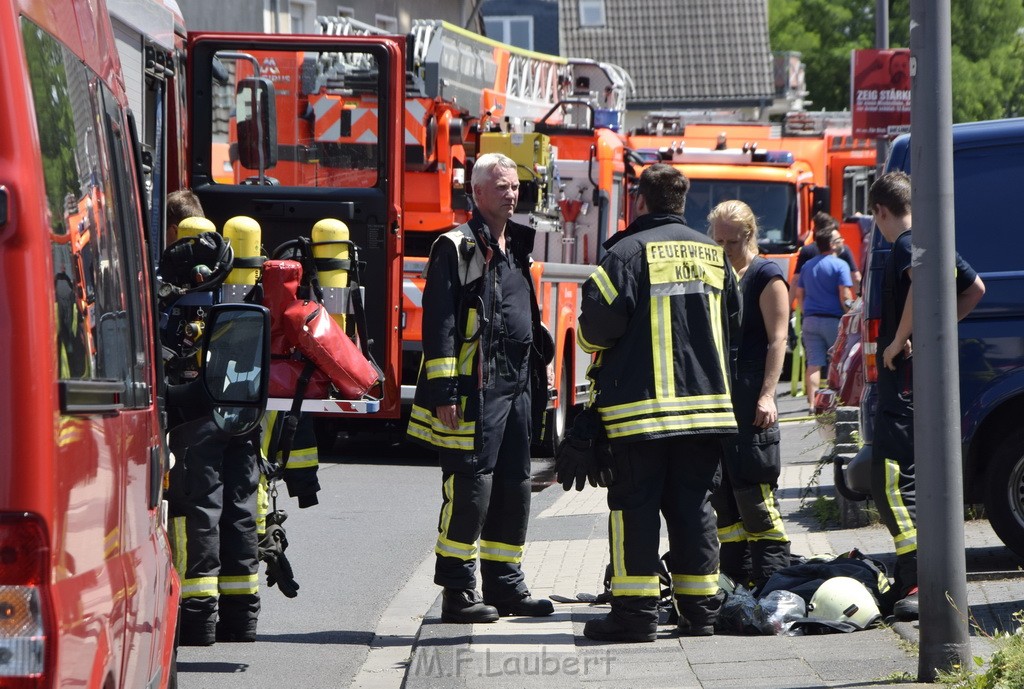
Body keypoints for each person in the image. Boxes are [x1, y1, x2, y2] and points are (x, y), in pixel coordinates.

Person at [576, 163, 741, 642]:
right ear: (682, 203)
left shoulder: (625, 254)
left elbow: (594, 332)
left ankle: (635, 616)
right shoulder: (714, 255)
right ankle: (700, 614)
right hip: (707, 411)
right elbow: (733, 321)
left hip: (639, 415)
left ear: (640, 201)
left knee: (635, 509)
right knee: (695, 511)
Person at [407, 152, 554, 623]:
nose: (511, 193)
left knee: (515, 487)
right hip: (473, 390)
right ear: (476, 192)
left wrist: (541, 367)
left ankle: (506, 586)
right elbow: (441, 323)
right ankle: (457, 593)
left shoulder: (517, 246)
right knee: (471, 489)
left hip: (516, 387)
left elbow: (524, 315)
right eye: (501, 186)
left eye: (514, 186)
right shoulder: (456, 246)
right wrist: (447, 391)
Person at [868, 171, 985, 621]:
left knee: (891, 479)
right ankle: (913, 575)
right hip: (919, 381)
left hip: (903, 383)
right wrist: (935, 332)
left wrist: (899, 339)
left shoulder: (903, 245)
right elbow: (974, 289)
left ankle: (915, 576)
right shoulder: (932, 240)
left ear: (881, 210)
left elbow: (917, 281)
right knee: (908, 478)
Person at [162, 212, 262, 645]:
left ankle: (197, 620)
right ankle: (242, 621)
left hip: (195, 422)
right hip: (242, 416)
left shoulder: (171, 302)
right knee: (240, 512)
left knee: (197, 514)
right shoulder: (246, 296)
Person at [708, 200, 791, 591]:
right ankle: (737, 582)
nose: (724, 248)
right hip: (722, 399)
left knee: (755, 495)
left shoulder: (766, 275)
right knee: (724, 499)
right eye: (718, 240)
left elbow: (778, 339)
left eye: (732, 242)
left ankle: (773, 580)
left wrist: (768, 395)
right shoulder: (717, 272)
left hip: (752, 396)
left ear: (749, 235)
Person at [794, 224, 855, 411]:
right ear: (831, 244)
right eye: (838, 240)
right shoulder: (840, 265)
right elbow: (844, 296)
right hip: (832, 320)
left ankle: (812, 403)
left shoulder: (807, 266)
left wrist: (806, 313)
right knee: (836, 361)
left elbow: (799, 293)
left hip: (811, 320)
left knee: (813, 363)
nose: (841, 243)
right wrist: (850, 312)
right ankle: (833, 400)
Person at [792, 212, 862, 296]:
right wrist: (861, 300)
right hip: (836, 307)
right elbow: (856, 278)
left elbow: (796, 281)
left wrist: (787, 306)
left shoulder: (806, 251)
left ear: (816, 230)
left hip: (810, 306)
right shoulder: (843, 250)